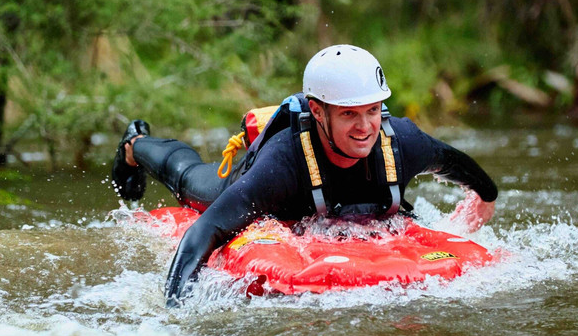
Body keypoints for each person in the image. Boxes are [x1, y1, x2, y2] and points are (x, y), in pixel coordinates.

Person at [111, 45, 498, 305]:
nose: (365, 127)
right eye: (349, 114)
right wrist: (176, 313)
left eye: (373, 110)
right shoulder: (282, 166)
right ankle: (135, 144)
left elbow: (454, 162)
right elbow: (204, 231)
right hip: (254, 184)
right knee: (191, 180)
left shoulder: (403, 142)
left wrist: (486, 197)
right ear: (317, 111)